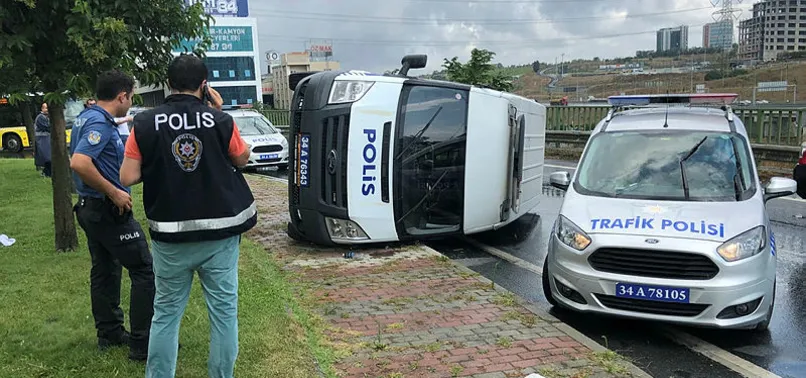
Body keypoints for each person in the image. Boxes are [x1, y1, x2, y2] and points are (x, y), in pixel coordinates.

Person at [120, 54, 255, 378]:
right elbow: (240, 158)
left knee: (165, 313)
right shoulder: (220, 121)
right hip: (219, 235)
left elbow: (127, 176)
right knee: (224, 315)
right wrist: (218, 115)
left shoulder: (145, 123)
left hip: (170, 237)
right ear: (204, 85)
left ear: (169, 84)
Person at [69, 70, 154, 362]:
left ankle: (110, 333)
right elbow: (80, 162)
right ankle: (143, 344)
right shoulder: (97, 122)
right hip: (107, 209)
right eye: (131, 97)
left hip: (89, 209)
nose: (130, 101)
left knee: (105, 269)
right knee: (144, 269)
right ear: (122, 96)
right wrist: (113, 192)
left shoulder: (90, 117)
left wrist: (125, 122)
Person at [34, 103, 52, 177]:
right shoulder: (41, 117)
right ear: (42, 109)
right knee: (47, 157)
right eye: (45, 108)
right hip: (42, 139)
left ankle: (48, 173)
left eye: (48, 108)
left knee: (48, 157)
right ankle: (46, 173)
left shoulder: (46, 117)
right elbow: (47, 127)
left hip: (45, 138)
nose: (47, 110)